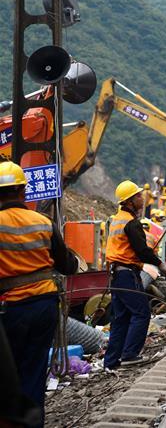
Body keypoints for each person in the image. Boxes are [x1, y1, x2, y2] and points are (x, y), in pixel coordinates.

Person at [0, 161, 78, 426]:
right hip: (44, 304)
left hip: (9, 307)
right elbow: (66, 265)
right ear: (23, 191)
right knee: (33, 371)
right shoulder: (42, 222)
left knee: (7, 374)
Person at [104, 179, 166, 370]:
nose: (142, 198)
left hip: (116, 274)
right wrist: (162, 266)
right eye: (138, 196)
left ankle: (111, 361)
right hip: (126, 274)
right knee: (141, 313)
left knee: (121, 318)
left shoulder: (116, 218)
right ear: (129, 201)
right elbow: (143, 251)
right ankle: (129, 354)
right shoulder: (131, 223)